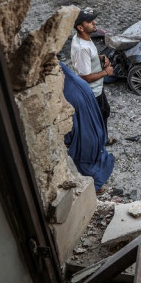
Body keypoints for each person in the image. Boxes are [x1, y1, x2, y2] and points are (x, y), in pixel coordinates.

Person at [60, 62, 114, 195]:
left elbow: (69, 122)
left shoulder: (66, 94)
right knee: (96, 154)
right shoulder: (78, 83)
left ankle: (96, 187)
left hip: (83, 134)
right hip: (95, 127)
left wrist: (67, 140)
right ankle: (98, 184)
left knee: (85, 161)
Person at [70, 8, 115, 146]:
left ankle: (101, 140)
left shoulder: (83, 38)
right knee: (98, 117)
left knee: (104, 112)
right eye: (90, 22)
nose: (94, 23)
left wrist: (100, 58)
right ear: (80, 27)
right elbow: (85, 77)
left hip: (96, 88)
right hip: (91, 91)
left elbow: (87, 61)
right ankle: (99, 143)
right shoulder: (82, 48)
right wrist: (106, 72)